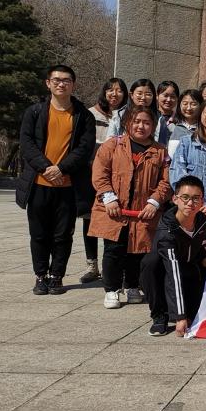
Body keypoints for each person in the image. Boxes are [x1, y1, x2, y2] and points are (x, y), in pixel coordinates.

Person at [17, 65, 96, 296]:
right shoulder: (34, 112)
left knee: (63, 235)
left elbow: (84, 149)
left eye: (66, 80)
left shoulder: (84, 116)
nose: (61, 84)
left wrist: (61, 168)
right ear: (48, 83)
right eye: (57, 80)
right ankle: (40, 276)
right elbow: (27, 144)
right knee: (39, 234)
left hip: (68, 186)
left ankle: (56, 276)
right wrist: (46, 168)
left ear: (73, 84)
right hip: (38, 184)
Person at [89, 104, 171, 308]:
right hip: (115, 210)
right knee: (113, 250)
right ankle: (112, 289)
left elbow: (166, 181)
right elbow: (100, 172)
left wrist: (154, 201)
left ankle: (133, 285)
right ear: (127, 123)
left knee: (138, 251)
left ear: (153, 126)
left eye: (146, 122)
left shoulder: (160, 151)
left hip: (142, 212)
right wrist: (108, 197)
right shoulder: (112, 145)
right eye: (136, 121)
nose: (141, 126)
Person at [141, 175, 206, 337]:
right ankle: (159, 316)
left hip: (188, 269)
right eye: (185, 198)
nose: (190, 203)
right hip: (166, 271)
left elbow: (194, 244)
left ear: (202, 201)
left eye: (196, 198)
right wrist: (180, 316)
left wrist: (204, 257)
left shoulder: (203, 221)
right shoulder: (167, 230)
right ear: (175, 199)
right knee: (150, 262)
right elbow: (173, 271)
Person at [80, 78, 128, 284]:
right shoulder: (90, 114)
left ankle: (117, 266)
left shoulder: (128, 116)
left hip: (118, 176)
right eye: (110, 90)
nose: (114, 94)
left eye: (119, 90)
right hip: (93, 173)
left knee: (117, 218)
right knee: (90, 218)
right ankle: (92, 264)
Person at [108, 78, 168, 144]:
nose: (143, 97)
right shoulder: (119, 115)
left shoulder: (160, 119)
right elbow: (109, 142)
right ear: (131, 95)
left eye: (148, 94)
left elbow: (163, 144)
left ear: (153, 97)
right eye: (139, 93)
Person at [167, 88, 203, 157]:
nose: (189, 108)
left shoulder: (205, 129)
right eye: (185, 104)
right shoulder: (172, 127)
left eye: (193, 104)